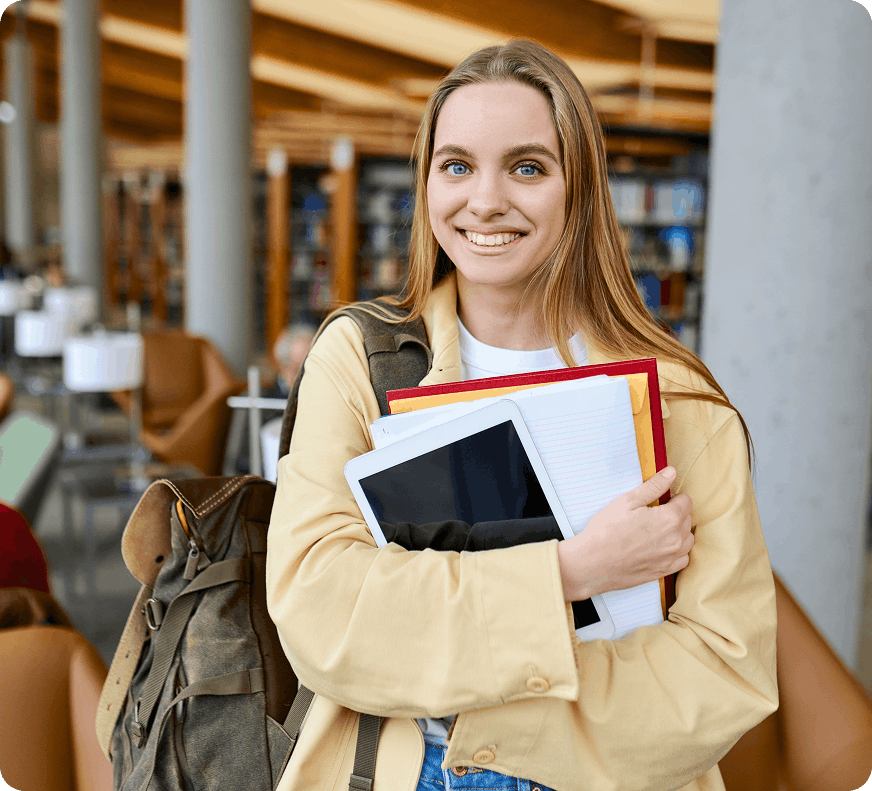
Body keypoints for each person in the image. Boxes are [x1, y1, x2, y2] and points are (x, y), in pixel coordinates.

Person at [266, 40, 777, 791]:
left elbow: (725, 671)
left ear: (581, 188)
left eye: (528, 167)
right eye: (458, 165)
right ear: (428, 181)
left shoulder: (681, 401)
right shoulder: (358, 361)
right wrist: (571, 572)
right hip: (398, 771)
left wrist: (482, 712)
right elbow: (321, 612)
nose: (485, 201)